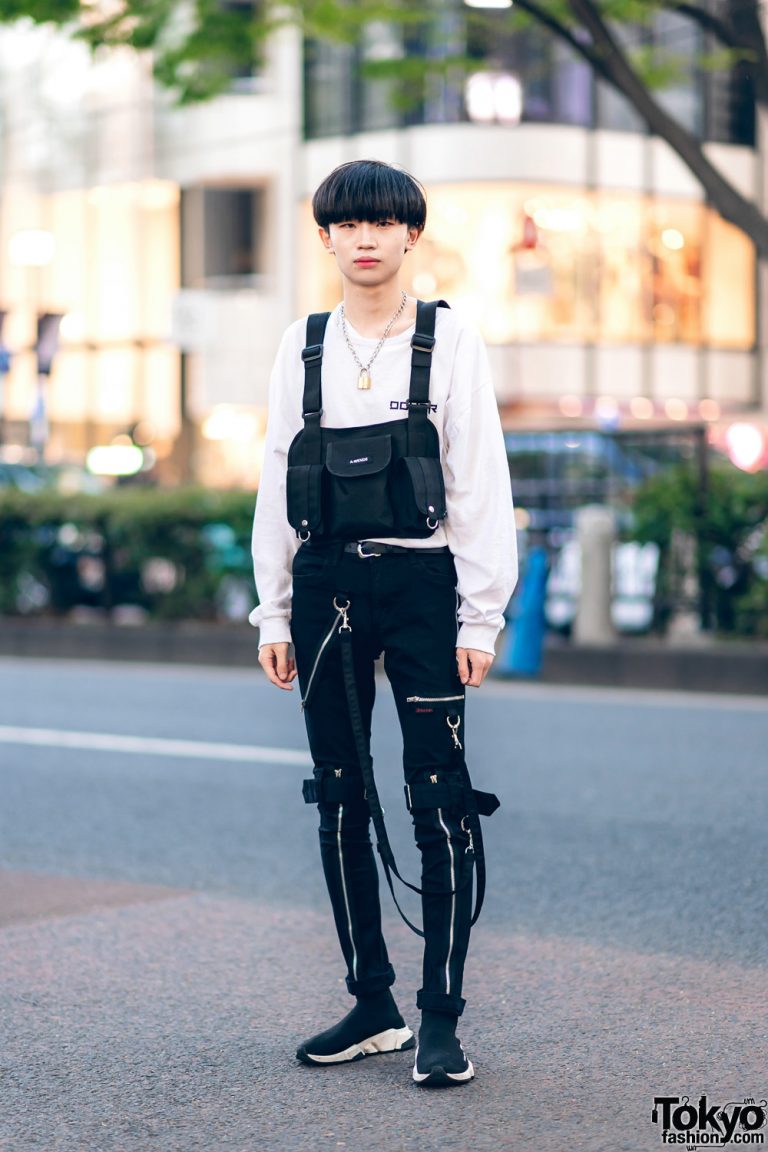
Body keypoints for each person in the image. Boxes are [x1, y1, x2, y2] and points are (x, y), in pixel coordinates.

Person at [250, 159, 517, 1087]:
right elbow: (279, 476)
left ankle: (439, 1015)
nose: (364, 239)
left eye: (383, 223)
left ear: (411, 234)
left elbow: (481, 480)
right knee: (338, 792)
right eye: (345, 225)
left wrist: (482, 617)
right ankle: (373, 1002)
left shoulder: (449, 340)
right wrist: (272, 607)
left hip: (421, 587)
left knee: (438, 794)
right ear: (324, 238)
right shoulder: (303, 344)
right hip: (323, 585)